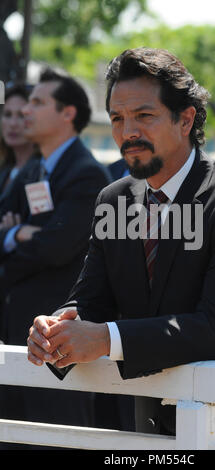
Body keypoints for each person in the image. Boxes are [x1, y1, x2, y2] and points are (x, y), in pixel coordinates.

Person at [27, 48, 215, 449]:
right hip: (142, 434)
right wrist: (57, 328)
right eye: (117, 118)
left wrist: (103, 338)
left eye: (143, 116)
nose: (127, 131)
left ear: (185, 119)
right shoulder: (112, 200)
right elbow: (92, 303)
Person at [0, 69, 113, 449]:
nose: (25, 111)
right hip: (16, 337)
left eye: (37, 102)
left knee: (57, 439)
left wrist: (17, 237)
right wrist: (19, 233)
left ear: (68, 113)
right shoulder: (32, 169)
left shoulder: (87, 174)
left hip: (59, 345)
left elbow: (58, 248)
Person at [0, 84, 36, 203]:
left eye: (21, 116)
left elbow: (39, 219)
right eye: (7, 115)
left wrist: (18, 223)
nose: (13, 124)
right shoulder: (5, 170)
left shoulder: (42, 173)